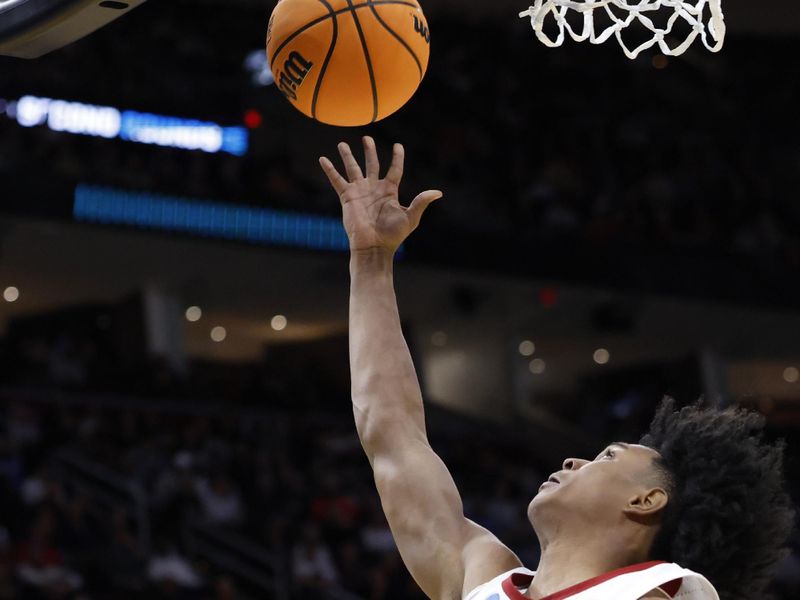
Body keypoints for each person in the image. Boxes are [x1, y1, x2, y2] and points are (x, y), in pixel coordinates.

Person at [318, 138, 795, 600]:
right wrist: (372, 260)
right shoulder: (481, 576)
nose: (572, 460)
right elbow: (393, 435)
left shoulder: (664, 593)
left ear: (646, 501)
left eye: (606, 457)